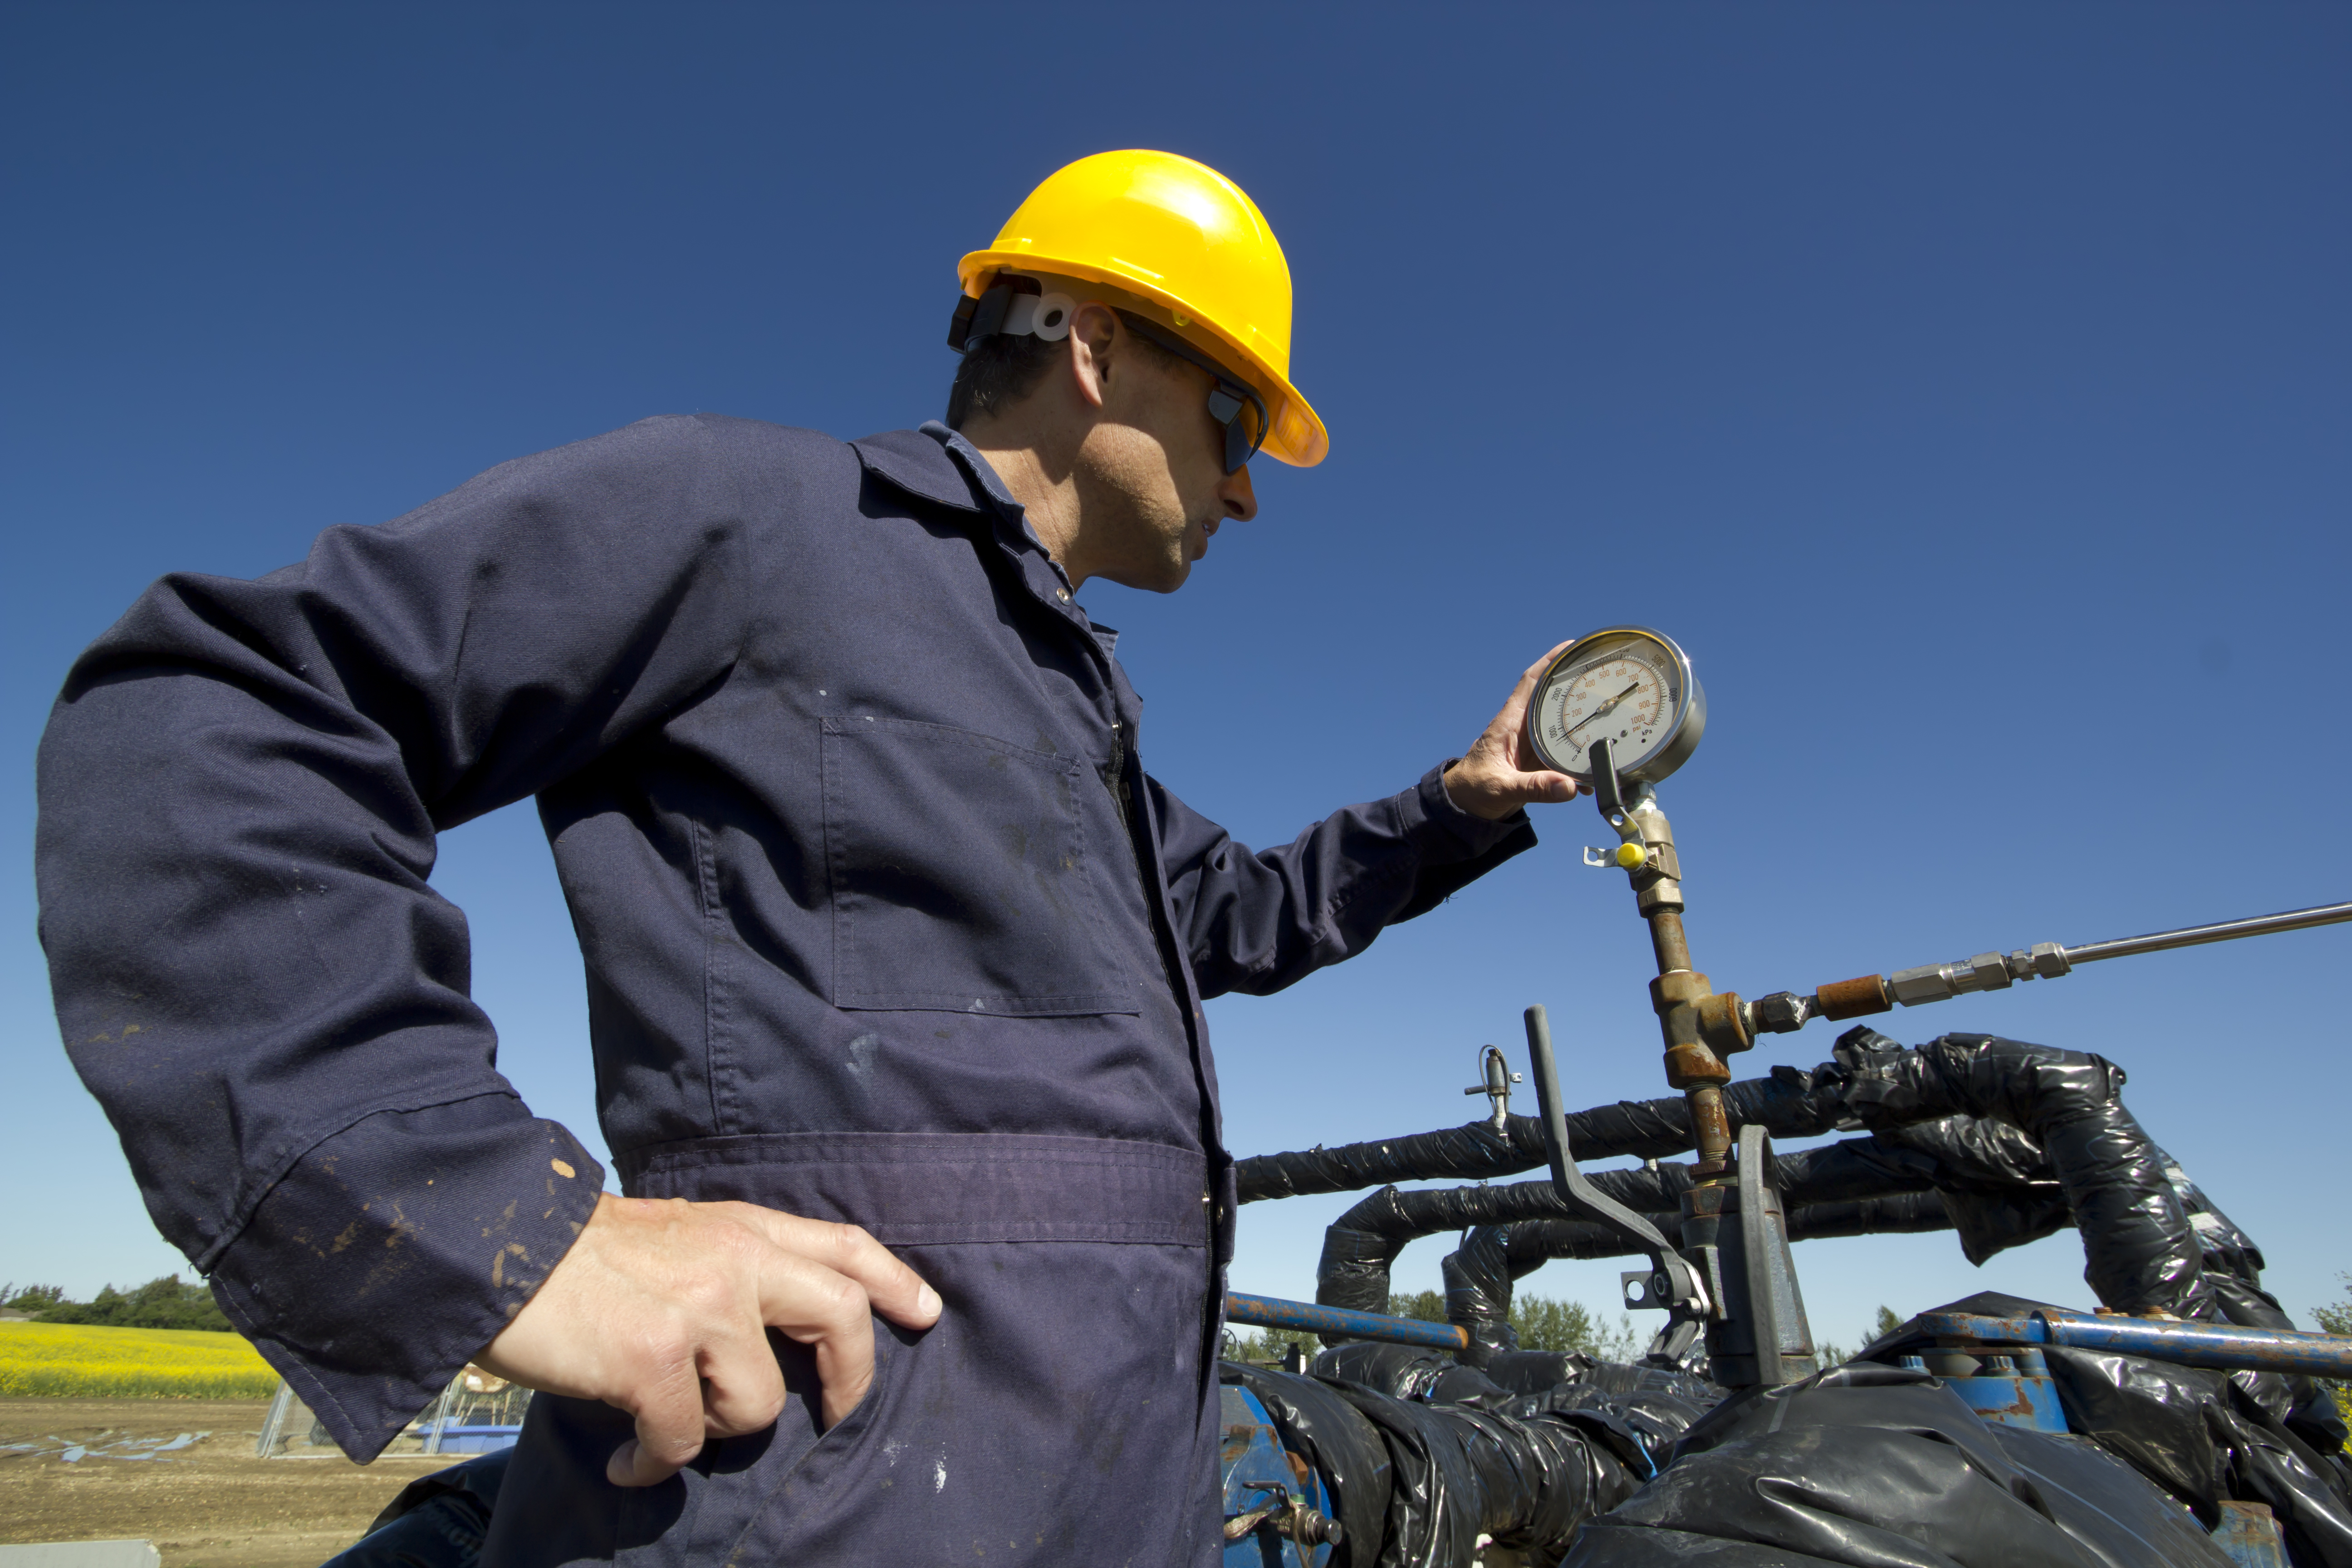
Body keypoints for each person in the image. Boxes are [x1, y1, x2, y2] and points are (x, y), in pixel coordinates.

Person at [34, 150, 1579, 1563]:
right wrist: (496, 1222)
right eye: (1236, 420)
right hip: (816, 1511)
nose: (1246, 485)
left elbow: (1240, 914)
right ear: (1099, 347)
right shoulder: (762, 521)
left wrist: (1461, 806)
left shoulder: (1069, 709)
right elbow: (219, 720)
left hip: (1109, 1498)